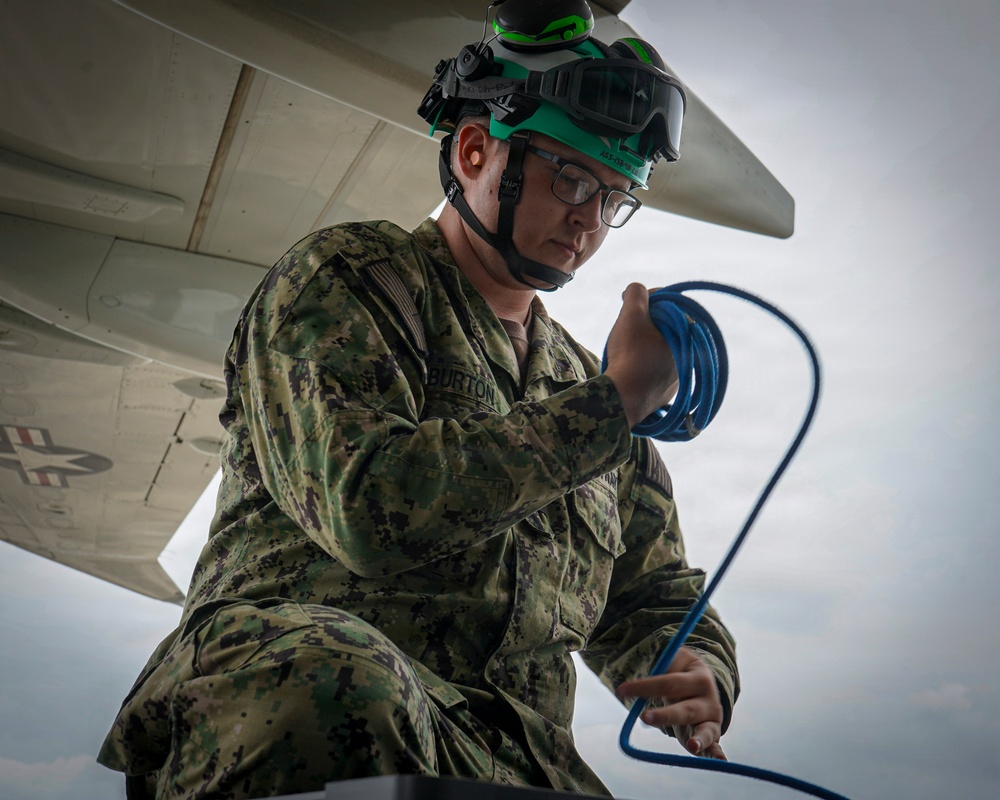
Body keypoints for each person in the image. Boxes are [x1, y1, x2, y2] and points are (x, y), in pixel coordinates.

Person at [98, 1, 738, 797]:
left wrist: (696, 666)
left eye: (613, 198)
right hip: (295, 703)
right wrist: (610, 407)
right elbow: (366, 509)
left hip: (503, 755)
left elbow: (653, 594)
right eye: (572, 178)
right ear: (474, 150)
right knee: (343, 682)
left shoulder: (584, 383)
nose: (588, 219)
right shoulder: (351, 279)